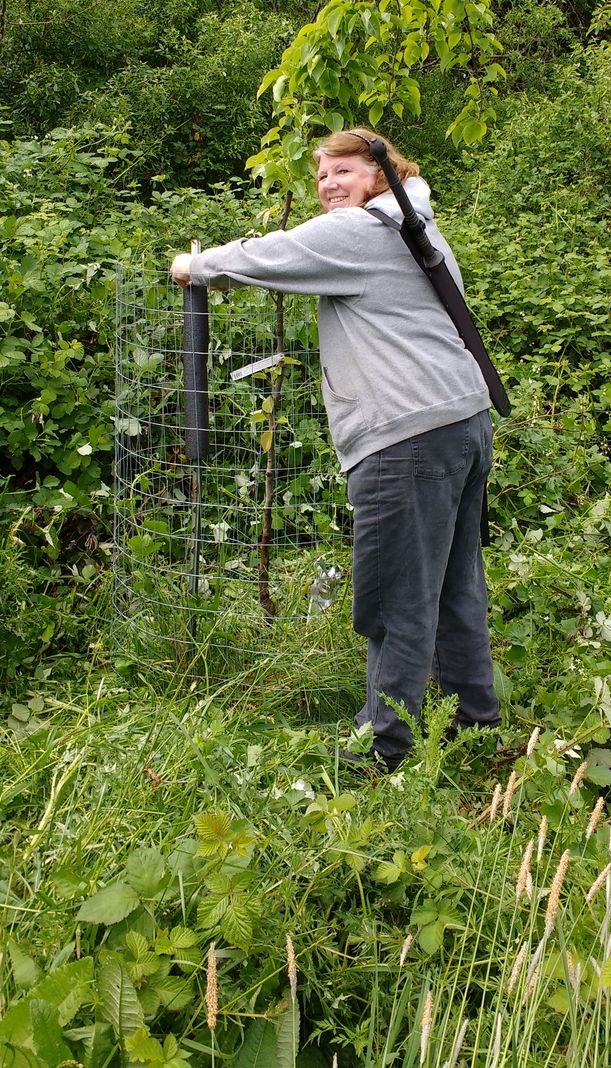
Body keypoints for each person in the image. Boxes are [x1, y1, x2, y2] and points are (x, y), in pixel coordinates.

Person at [171, 128, 500, 769]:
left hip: (406, 435)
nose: (328, 185)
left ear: (380, 173)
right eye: (321, 175)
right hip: (462, 418)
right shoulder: (414, 226)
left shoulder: (360, 230)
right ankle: (475, 723)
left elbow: (274, 253)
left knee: (397, 598)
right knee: (455, 582)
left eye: (343, 170)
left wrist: (196, 265)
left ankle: (382, 749)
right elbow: (299, 266)